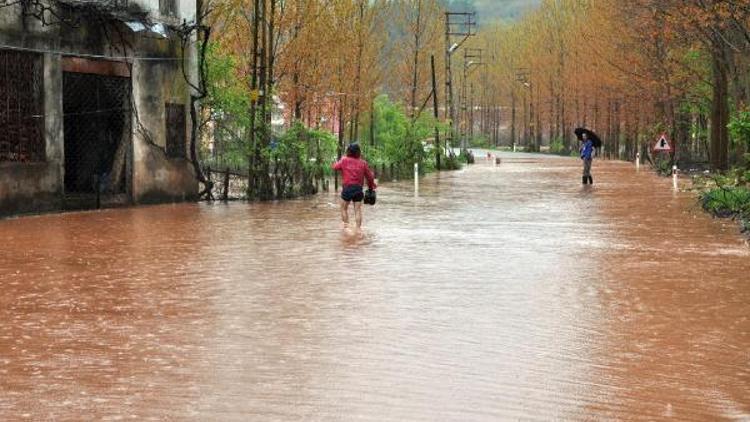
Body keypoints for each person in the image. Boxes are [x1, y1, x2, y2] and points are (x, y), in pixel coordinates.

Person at [332, 143, 376, 229]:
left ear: (348, 151)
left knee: (344, 208)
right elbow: (370, 177)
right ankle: (358, 230)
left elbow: (335, 167)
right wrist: (371, 187)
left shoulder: (344, 160)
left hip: (347, 188)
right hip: (358, 189)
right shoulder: (363, 163)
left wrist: (342, 162)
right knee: (357, 210)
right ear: (358, 152)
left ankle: (346, 228)